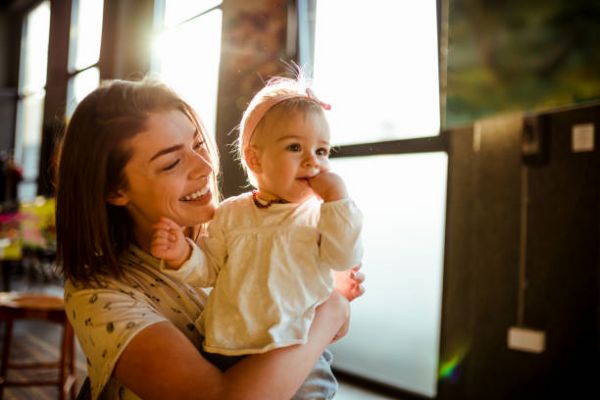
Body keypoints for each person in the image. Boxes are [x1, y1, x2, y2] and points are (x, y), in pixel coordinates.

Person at [55, 78, 364, 400]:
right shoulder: (100, 293)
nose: (204, 167)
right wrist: (330, 312)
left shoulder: (242, 228)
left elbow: (332, 269)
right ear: (115, 190)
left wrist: (324, 282)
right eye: (172, 162)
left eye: (199, 145)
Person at [150, 74, 363, 399]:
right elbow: (209, 270)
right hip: (228, 347)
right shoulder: (231, 214)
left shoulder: (323, 214)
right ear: (254, 158)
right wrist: (182, 254)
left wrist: (339, 200)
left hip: (299, 349)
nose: (312, 161)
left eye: (322, 151)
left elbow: (344, 258)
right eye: (295, 147)